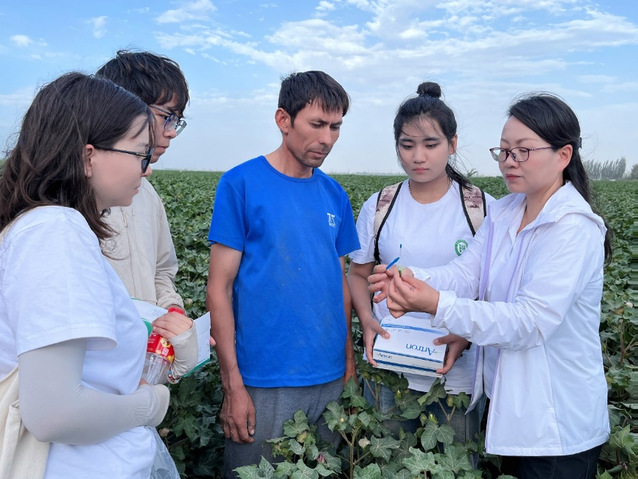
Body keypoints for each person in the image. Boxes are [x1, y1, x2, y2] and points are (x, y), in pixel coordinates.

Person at [370, 93, 611, 479]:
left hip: (557, 427)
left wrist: (437, 305)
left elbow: (529, 322)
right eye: (504, 151)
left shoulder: (573, 228)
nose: (509, 161)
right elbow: (466, 273)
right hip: (512, 413)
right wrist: (413, 278)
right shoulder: (506, 211)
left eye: (523, 151)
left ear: (563, 155)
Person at [0, 72, 172, 477]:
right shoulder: (56, 231)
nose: (146, 170)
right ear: (88, 157)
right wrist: (149, 405)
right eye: (140, 153)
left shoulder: (42, 227)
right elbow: (55, 414)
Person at [206, 70, 360, 477]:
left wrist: (349, 366)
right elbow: (219, 288)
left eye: (335, 127)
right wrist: (233, 385)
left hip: (329, 377)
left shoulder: (334, 194)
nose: (327, 138)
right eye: (317, 124)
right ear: (283, 120)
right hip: (263, 378)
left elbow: (339, 284)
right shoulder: (240, 184)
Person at [347, 81, 492, 445]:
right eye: (407, 145)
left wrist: (467, 334)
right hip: (389, 365)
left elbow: (495, 287)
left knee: (455, 464)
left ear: (452, 144)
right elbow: (358, 273)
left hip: (456, 374)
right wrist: (367, 320)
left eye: (431, 144)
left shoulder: (482, 208)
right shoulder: (380, 205)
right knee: (388, 458)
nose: (418, 156)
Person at [96, 50, 199, 381]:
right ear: (122, 108)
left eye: (177, 121)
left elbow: (162, 270)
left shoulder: (148, 195)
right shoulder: (63, 207)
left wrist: (171, 312)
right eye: (167, 116)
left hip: (137, 374)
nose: (172, 131)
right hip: (90, 384)